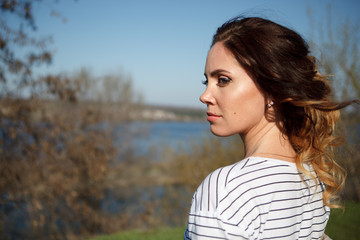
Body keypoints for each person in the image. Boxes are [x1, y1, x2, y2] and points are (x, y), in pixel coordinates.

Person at [184, 16, 359, 240]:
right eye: (206, 81)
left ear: (273, 88)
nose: (205, 96)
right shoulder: (312, 177)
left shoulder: (226, 189)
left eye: (223, 80)